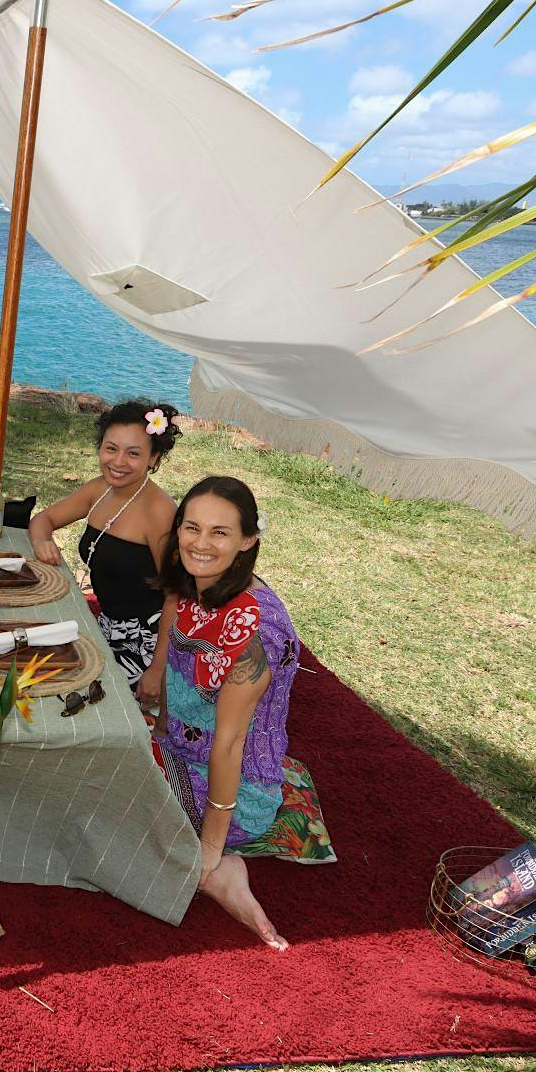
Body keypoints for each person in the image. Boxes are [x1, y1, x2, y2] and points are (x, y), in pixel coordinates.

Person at [139, 475, 330, 950]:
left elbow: (229, 743)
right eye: (192, 527)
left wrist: (209, 847)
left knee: (113, 803)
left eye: (220, 532)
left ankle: (222, 873)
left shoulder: (254, 634)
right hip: (178, 747)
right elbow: (174, 633)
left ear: (248, 540)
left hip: (235, 789)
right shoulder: (198, 578)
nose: (200, 543)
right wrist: (159, 723)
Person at [28, 401, 180, 689]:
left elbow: (177, 596)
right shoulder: (100, 489)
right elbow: (43, 519)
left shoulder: (159, 511)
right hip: (106, 625)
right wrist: (42, 542)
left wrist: (158, 670)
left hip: (146, 641)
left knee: (70, 688)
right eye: (111, 448)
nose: (118, 462)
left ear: (153, 458)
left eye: (133, 453)